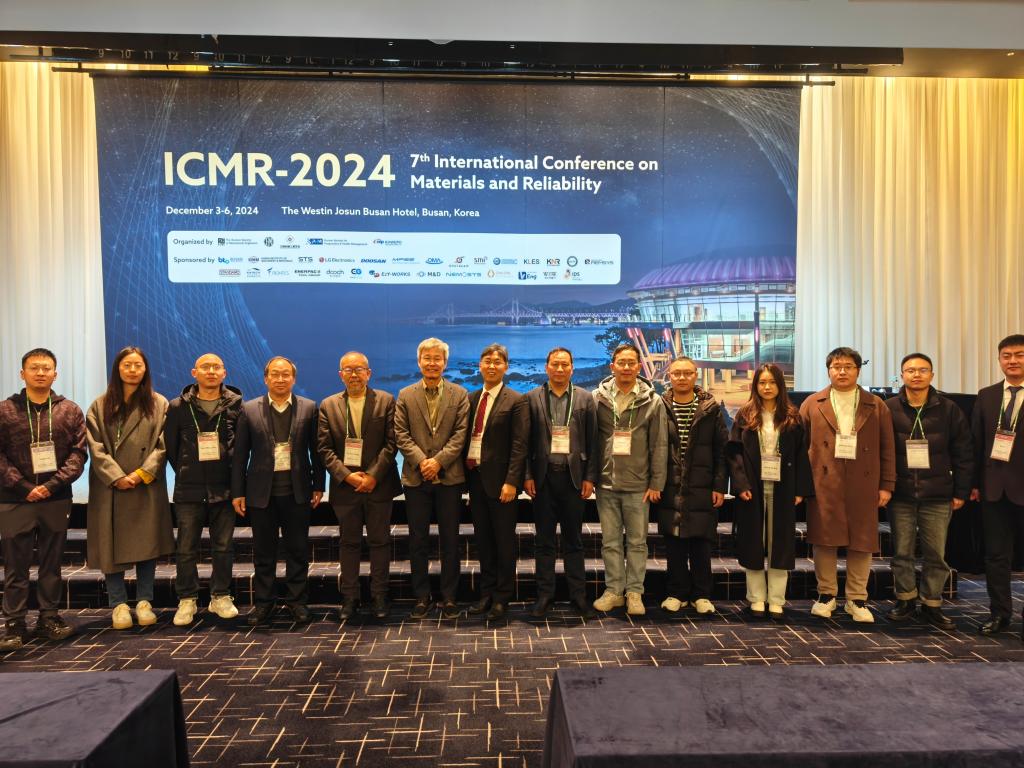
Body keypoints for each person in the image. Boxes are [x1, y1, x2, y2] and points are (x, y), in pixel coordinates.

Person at [800, 346, 895, 623]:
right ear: (828, 370)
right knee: (824, 540)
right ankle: (826, 595)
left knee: (862, 541)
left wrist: (886, 485)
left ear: (858, 370)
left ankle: (857, 598)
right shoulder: (812, 403)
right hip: (823, 483)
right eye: (836, 367)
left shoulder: (876, 404)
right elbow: (799, 448)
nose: (842, 372)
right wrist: (802, 486)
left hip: (864, 482)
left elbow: (888, 448)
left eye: (848, 367)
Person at [0, 348, 86, 649]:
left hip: (56, 498)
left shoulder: (70, 410)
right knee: (15, 566)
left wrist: (51, 486)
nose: (40, 373)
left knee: (52, 564)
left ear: (55, 374)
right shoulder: (4, 410)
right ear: (22, 373)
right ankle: (14, 623)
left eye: (46, 368)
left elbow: (78, 454)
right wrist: (24, 486)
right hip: (14, 499)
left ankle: (49, 617)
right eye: (34, 368)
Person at [85, 347, 174, 629]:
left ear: (146, 369)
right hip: (110, 486)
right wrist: (116, 476)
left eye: (138, 365)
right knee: (110, 543)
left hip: (144, 484)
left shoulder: (159, 403)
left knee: (147, 541)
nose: (133, 370)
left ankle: (145, 601)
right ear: (117, 368)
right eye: (127, 365)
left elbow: (163, 445)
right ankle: (119, 604)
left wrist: (139, 474)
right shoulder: (99, 405)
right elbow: (95, 446)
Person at [232, 356, 324, 626]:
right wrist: (238, 492)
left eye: (286, 374)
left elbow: (316, 451)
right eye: (275, 374)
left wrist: (319, 485)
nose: (280, 379)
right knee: (264, 553)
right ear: (266, 378)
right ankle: (264, 603)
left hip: (298, 491)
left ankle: (297, 602)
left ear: (293, 379)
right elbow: (240, 455)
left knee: (297, 550)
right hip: (261, 493)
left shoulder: (309, 407)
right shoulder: (249, 409)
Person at [884, 353, 972, 630]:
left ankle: (932, 603)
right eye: (910, 370)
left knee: (936, 554)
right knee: (902, 552)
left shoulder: (949, 409)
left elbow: (963, 452)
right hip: (901, 493)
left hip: (938, 494)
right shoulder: (888, 408)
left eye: (923, 370)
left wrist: (961, 491)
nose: (916, 375)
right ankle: (905, 600)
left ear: (932, 375)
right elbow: (881, 452)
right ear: (902, 375)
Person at [317, 351, 400, 620]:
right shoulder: (328, 405)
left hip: (379, 485)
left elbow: (392, 443)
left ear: (369, 373)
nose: (354, 374)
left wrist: (373, 475)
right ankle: (350, 598)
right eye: (348, 370)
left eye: (359, 369)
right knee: (349, 543)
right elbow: (324, 449)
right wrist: (348, 476)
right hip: (345, 488)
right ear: (340, 375)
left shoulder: (386, 401)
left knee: (380, 542)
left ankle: (379, 596)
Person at [164, 353, 243, 626]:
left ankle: (220, 595)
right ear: (194, 372)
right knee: (186, 548)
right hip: (189, 489)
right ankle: (187, 599)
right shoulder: (177, 406)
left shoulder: (237, 404)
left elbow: (241, 448)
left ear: (224, 373)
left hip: (225, 489)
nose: (211, 371)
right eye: (205, 367)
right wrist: (188, 470)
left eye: (216, 367)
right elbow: (172, 449)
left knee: (223, 547)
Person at [727, 363, 812, 618]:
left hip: (783, 487)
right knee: (753, 541)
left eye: (772, 382)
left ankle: (776, 599)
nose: (767, 387)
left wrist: (800, 489)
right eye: (762, 382)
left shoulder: (792, 417)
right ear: (755, 386)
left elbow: (802, 455)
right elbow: (734, 454)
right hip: (752, 488)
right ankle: (756, 597)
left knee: (780, 544)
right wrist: (740, 484)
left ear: (780, 386)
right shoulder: (744, 416)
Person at [394, 338, 470, 619]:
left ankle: (449, 597)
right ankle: (421, 596)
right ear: (419, 362)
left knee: (450, 540)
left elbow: (461, 434)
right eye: (427, 358)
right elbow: (401, 434)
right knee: (418, 541)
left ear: (445, 363)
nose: (432, 363)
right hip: (416, 479)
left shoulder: (459, 394)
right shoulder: (405, 395)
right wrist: (422, 462)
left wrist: (438, 462)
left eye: (437, 358)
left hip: (449, 478)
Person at [592, 343, 667, 616]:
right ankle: (614, 591)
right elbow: (591, 441)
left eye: (631, 363)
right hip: (606, 483)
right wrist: (590, 477)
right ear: (612, 366)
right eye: (621, 363)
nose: (626, 367)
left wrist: (656, 483)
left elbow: (659, 444)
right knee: (610, 543)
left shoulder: (653, 401)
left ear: (638, 366)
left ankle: (635, 592)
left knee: (637, 543)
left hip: (639, 485)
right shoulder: (596, 398)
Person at [524, 348, 599, 620]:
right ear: (546, 367)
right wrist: (527, 475)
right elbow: (524, 442)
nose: (559, 369)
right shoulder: (531, 398)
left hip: (573, 479)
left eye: (564, 364)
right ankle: (545, 595)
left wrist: (590, 477)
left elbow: (593, 441)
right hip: (542, 479)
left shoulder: (585, 398)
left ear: (571, 368)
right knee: (544, 541)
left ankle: (578, 596)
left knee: (574, 541)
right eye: (554, 364)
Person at [656, 356, 728, 616]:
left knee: (701, 543)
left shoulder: (710, 408)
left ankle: (701, 594)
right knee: (674, 543)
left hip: (703, 484)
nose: (682, 378)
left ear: (695, 375)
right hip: (670, 483)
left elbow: (722, 450)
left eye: (687, 373)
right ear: (670, 376)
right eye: (677, 373)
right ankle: (676, 593)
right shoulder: (660, 406)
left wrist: (719, 485)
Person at [464, 344, 529, 621]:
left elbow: (520, 444)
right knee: (484, 541)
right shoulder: (470, 398)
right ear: (480, 365)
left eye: (497, 362)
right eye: (487, 361)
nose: (492, 366)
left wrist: (512, 481)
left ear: (506, 367)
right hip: (475, 480)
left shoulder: (516, 400)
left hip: (502, 484)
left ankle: (502, 597)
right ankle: (486, 593)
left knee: (503, 543)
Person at [970, 334, 1024, 638]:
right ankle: (1000, 614)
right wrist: (974, 484)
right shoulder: (987, 395)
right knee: (996, 557)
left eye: (1019, 355)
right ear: (999, 359)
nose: (1012, 361)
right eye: (1007, 355)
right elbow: (976, 443)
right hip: (993, 488)